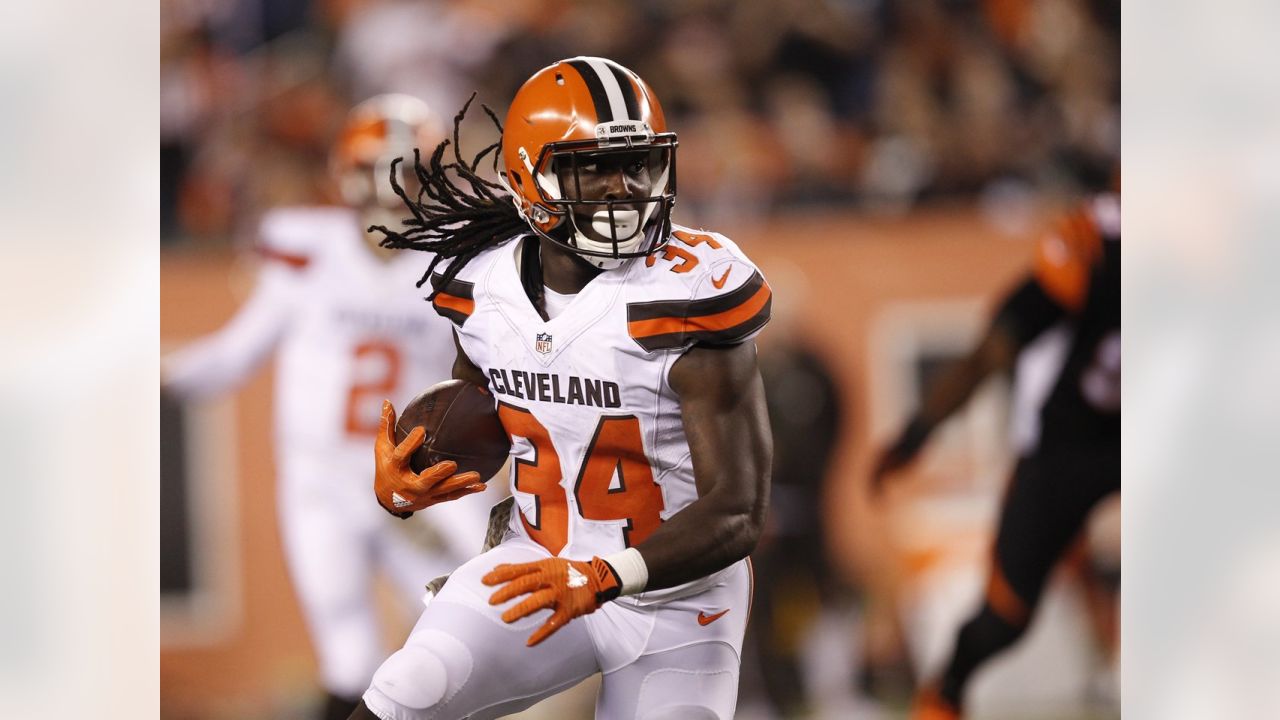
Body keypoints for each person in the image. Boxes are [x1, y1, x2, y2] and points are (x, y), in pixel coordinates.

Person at [348, 56, 774, 720]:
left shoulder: (690, 294)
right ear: (529, 174)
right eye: (592, 167)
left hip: (677, 600)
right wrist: (410, 482)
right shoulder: (482, 288)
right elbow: (480, 421)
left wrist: (605, 576)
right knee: (407, 693)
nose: (622, 187)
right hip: (539, 565)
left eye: (637, 163)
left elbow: (739, 509)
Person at [163, 94, 495, 720]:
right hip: (321, 483)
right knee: (350, 661)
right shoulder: (305, 248)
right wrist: (155, 381)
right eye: (379, 170)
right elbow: (236, 354)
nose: (391, 189)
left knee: (465, 647)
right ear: (348, 174)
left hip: (418, 485)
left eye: (405, 171)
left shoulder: (457, 262)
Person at [870, 192, 1120, 719]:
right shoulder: (1096, 245)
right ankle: (944, 696)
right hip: (1066, 444)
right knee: (1006, 615)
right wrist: (919, 432)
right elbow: (995, 347)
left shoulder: (1237, 247)